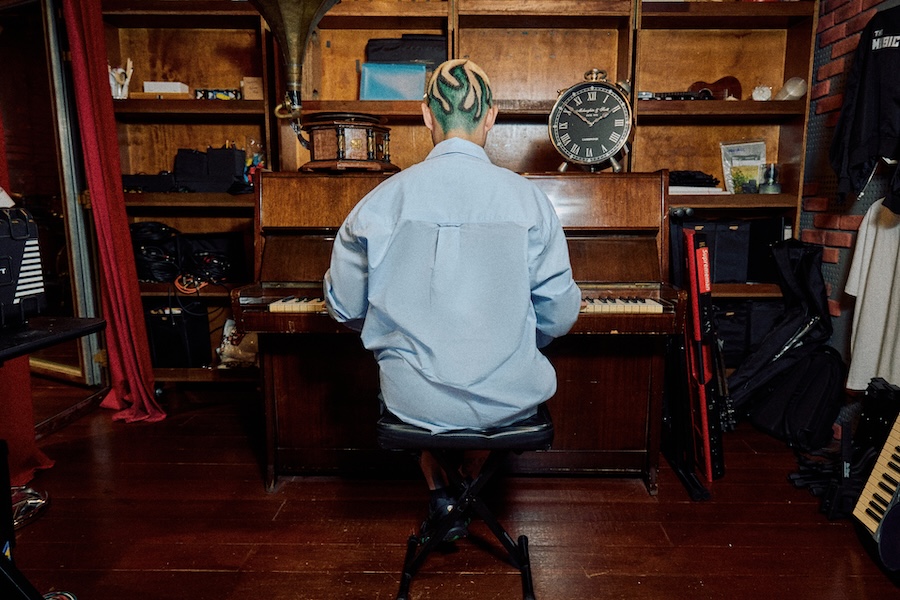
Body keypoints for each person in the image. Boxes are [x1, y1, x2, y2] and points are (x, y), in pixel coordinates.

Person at [324, 59, 581, 540]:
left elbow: (345, 308)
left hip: (412, 400)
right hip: (509, 396)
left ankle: (442, 491)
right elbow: (561, 316)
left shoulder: (378, 201)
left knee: (409, 371)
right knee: (498, 377)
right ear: (491, 117)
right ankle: (467, 482)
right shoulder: (530, 201)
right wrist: (515, 334)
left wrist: (403, 323)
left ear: (426, 115)